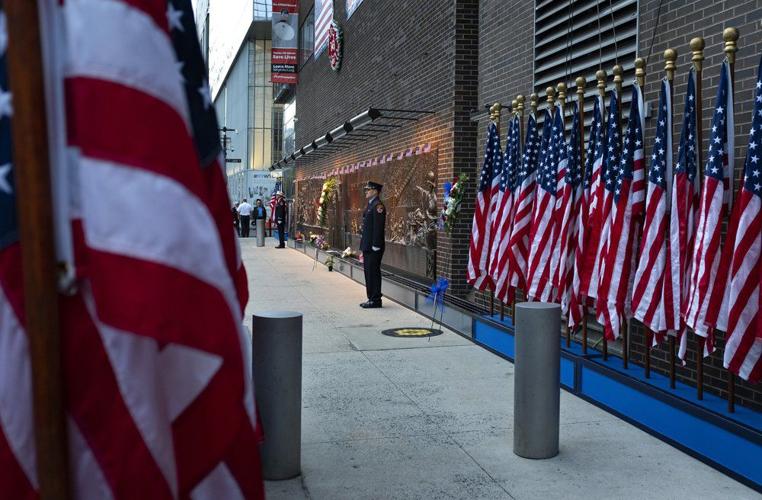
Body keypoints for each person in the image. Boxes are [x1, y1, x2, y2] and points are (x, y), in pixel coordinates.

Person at [359, 181, 386, 308]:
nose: (366, 191)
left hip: (373, 246)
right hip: (367, 245)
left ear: (375, 191)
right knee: (368, 272)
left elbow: (378, 227)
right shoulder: (370, 205)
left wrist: (376, 244)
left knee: (373, 272)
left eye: (368, 189)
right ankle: (371, 298)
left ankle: (375, 299)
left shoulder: (378, 206)